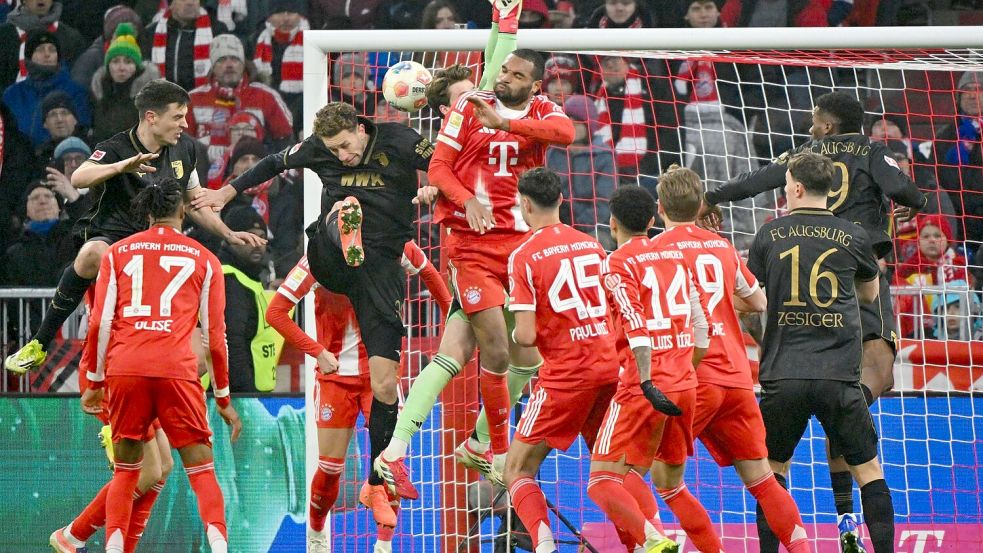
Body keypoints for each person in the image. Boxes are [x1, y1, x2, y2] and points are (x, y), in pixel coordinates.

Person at [700, 91, 925, 546]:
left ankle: (839, 513)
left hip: (794, 292)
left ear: (826, 126)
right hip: (857, 271)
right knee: (870, 382)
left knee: (778, 451)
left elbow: (754, 181)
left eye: (813, 121)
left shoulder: (801, 162)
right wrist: (907, 202)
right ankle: (847, 506)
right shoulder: (874, 152)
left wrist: (710, 197)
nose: (809, 127)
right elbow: (903, 190)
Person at [192, 100, 434, 515]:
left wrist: (435, 185)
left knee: (385, 385)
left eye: (345, 146)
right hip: (329, 259)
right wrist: (226, 191)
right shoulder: (318, 149)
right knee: (344, 208)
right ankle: (346, 227)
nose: (341, 156)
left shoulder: (399, 138)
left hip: (380, 268)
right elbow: (269, 163)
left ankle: (376, 482)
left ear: (361, 127)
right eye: (333, 150)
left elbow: (445, 158)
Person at [377, 49, 574, 497]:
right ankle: (495, 451)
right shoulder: (469, 105)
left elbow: (566, 132)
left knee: (515, 356)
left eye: (516, 74)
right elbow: (439, 166)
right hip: (471, 245)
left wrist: (506, 124)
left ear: (535, 85)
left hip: (521, 248)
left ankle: (410, 448)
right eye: (503, 69)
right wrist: (467, 200)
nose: (504, 78)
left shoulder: (542, 110)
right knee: (498, 353)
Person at [4, 79, 264, 375]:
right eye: (178, 117)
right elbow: (79, 178)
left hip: (163, 246)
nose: (185, 124)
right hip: (115, 242)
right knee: (92, 253)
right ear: (152, 117)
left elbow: (194, 204)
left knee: (201, 358)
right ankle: (39, 343)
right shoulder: (116, 148)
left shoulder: (186, 150)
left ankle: (163, 399)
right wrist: (121, 167)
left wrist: (229, 234)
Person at [648, 167, 812, 552]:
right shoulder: (720, 246)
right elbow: (759, 302)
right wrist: (719, 302)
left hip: (690, 378)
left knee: (662, 480)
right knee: (762, 479)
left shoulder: (654, 252)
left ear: (659, 208)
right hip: (737, 379)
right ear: (699, 204)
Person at [79, 177, 242, 553]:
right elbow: (215, 338)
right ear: (183, 211)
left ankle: (113, 547)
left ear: (148, 212)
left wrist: (95, 379)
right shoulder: (206, 260)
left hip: (125, 368)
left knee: (127, 471)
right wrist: (223, 399)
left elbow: (100, 322)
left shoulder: (118, 253)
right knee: (201, 472)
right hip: (177, 370)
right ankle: (220, 547)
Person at [747, 152, 895, 553]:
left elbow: (749, 299)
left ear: (795, 187)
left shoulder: (768, 234)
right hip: (839, 374)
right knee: (868, 470)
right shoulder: (853, 235)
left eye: (784, 185)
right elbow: (868, 293)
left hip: (784, 372)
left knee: (772, 471)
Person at [266, 241, 450, 553]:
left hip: (381, 376)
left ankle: (383, 545)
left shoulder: (394, 243)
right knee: (330, 468)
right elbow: (276, 312)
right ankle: (316, 534)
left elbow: (431, 276)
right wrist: (317, 351)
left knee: (391, 465)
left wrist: (452, 320)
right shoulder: (318, 257)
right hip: (335, 377)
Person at [589, 182, 720, 553]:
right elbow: (703, 329)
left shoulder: (615, 263)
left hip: (641, 385)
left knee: (601, 481)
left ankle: (652, 540)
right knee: (667, 485)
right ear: (651, 220)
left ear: (612, 223)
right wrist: (683, 369)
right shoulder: (674, 254)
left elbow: (636, 326)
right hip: (684, 384)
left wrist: (647, 379)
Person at [503, 167, 620, 553]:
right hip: (608, 368)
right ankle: (644, 539)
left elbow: (525, 336)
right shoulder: (592, 244)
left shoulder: (523, 255)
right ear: (561, 201)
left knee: (517, 469)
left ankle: (544, 543)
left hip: (566, 377)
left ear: (524, 204)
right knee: (611, 474)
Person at [187, 34, 293, 165]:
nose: (229, 65)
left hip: (255, 173)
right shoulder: (193, 99)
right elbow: (181, 145)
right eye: (222, 60)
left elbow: (285, 139)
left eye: (234, 59)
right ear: (213, 66)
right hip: (205, 174)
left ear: (243, 64)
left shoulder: (265, 96)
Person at [220, 207, 281, 393]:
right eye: (248, 236)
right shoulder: (229, 279)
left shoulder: (249, 278)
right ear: (230, 238)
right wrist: (246, 395)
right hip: (235, 395)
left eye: (261, 236)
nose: (257, 243)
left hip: (249, 391)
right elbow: (233, 342)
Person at [1, 30, 92, 148]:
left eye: (52, 50)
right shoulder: (12, 94)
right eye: (40, 50)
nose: (47, 54)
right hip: (19, 160)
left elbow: (82, 131)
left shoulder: (75, 92)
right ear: (29, 56)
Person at [89, 22, 161, 144]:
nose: (121, 68)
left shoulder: (150, 99)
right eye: (116, 61)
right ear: (108, 66)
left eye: (128, 62)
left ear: (136, 66)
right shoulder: (98, 94)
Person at [140, 0, 229, 92]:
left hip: (203, 99)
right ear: (171, 4)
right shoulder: (151, 33)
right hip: (163, 99)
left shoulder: (217, 30)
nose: (190, 3)